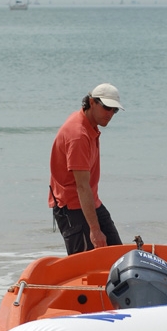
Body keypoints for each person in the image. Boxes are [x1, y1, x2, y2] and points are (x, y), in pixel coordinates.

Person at [49, 83, 124, 255]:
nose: (111, 114)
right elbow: (82, 186)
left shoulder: (88, 123)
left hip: (91, 201)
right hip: (72, 208)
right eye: (107, 108)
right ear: (92, 102)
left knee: (118, 255)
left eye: (115, 110)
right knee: (87, 266)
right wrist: (95, 230)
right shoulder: (78, 135)